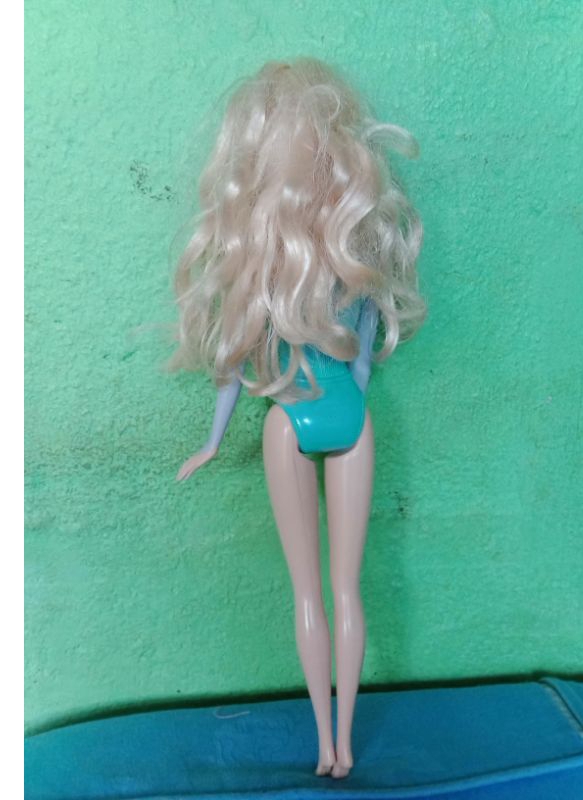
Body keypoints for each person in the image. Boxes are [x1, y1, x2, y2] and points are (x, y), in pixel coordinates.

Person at [169, 58, 426, 778]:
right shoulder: (355, 266)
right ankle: (341, 744)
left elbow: (231, 365)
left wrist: (214, 440)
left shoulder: (265, 269)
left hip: (291, 420)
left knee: (309, 590)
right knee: (345, 588)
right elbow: (363, 366)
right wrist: (217, 438)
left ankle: (325, 745)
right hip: (352, 419)